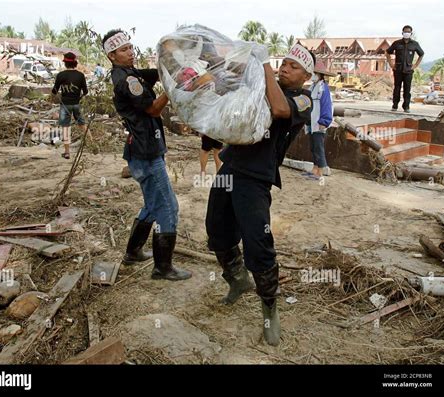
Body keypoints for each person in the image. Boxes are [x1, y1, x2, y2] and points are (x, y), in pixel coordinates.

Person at [205, 44, 314, 346]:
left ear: (306, 76)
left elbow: (279, 110)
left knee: (258, 243)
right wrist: (214, 59)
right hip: (231, 166)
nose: (285, 68)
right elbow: (229, 84)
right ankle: (237, 280)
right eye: (285, 63)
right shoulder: (262, 85)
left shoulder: (302, 100)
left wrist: (264, 63)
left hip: (256, 179)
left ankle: (269, 308)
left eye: (294, 66)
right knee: (216, 231)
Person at [102, 29, 191, 281]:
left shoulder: (130, 73)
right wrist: (171, 90)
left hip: (140, 151)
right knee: (168, 207)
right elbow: (152, 109)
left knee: (152, 205)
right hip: (146, 153)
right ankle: (163, 268)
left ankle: (133, 252)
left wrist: (172, 67)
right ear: (111, 55)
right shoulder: (126, 81)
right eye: (123, 50)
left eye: (130, 47)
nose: (130, 52)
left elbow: (154, 74)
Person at [51, 52, 88, 159]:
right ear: (75, 63)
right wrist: (78, 98)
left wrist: (56, 95)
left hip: (65, 105)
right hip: (76, 104)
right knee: (82, 124)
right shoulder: (80, 75)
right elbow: (85, 92)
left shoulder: (61, 75)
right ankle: (93, 145)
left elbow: (54, 91)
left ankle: (67, 152)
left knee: (66, 128)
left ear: (65, 63)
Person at [304, 61, 333, 179]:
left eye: (314, 73)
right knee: (313, 146)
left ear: (319, 75)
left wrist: (324, 121)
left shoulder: (323, 89)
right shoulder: (313, 87)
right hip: (312, 122)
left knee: (318, 147)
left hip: (318, 123)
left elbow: (326, 106)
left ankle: (320, 171)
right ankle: (315, 169)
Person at [385, 25, 424, 113]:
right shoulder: (397, 43)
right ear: (402, 33)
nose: (407, 33)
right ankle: (395, 105)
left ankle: (406, 107)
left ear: (411, 33)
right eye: (405, 31)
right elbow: (387, 52)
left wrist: (415, 65)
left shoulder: (415, 44)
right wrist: (391, 64)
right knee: (397, 88)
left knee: (407, 89)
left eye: (408, 32)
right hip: (398, 69)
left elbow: (421, 54)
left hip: (409, 70)